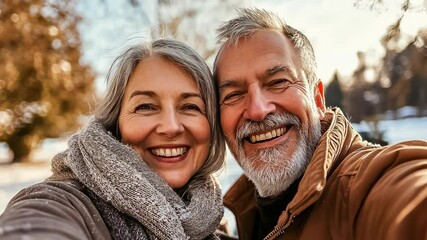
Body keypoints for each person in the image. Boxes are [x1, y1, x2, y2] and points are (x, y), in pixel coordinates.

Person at [213, 7, 427, 240]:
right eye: (233, 95)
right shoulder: (241, 218)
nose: (257, 110)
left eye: (278, 82)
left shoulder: (366, 184)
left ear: (317, 99)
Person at [0, 38, 227, 239]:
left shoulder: (208, 219)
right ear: (115, 123)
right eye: (146, 106)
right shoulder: (63, 203)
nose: (171, 127)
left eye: (190, 106)